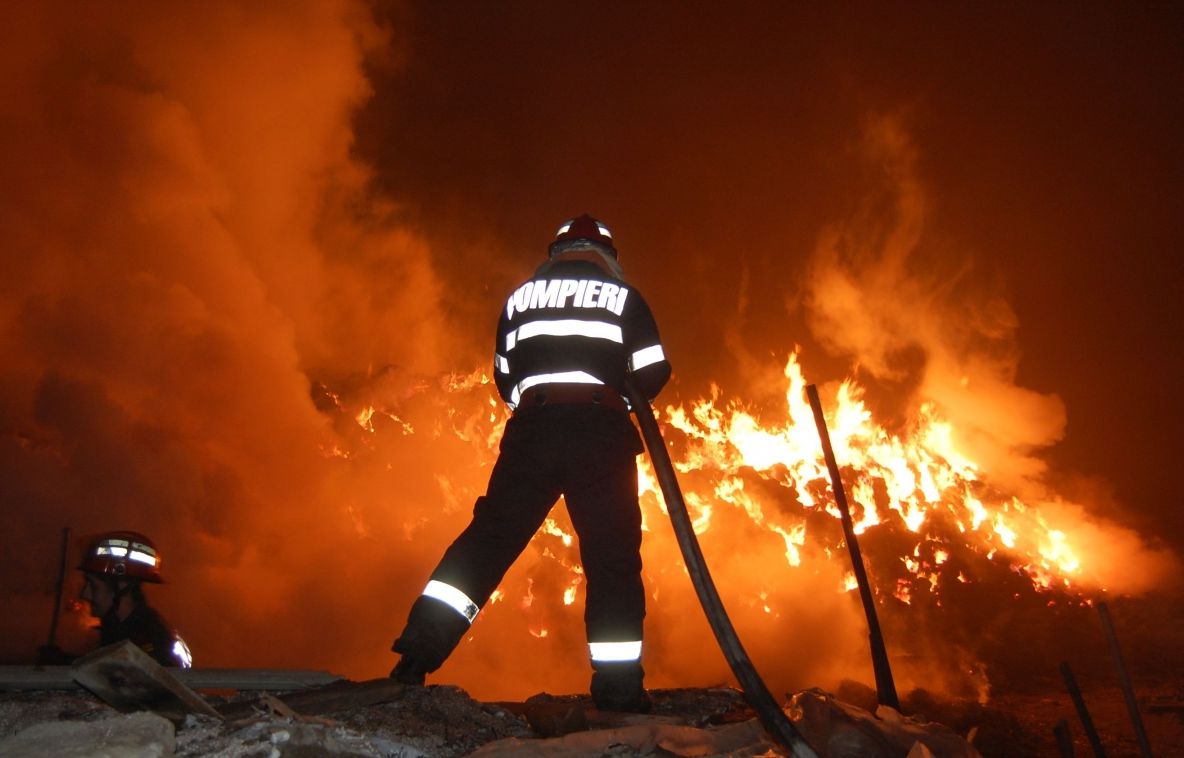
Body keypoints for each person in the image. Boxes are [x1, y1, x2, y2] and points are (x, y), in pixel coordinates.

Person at [389, 214, 671, 712]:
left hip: (534, 431)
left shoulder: (519, 299)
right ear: (607, 255)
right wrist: (614, 396)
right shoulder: (625, 298)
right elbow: (654, 370)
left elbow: (503, 378)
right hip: (599, 433)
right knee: (611, 560)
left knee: (488, 542)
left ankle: (415, 656)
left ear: (555, 252)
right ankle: (619, 691)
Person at [76, 530, 192, 668]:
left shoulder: (150, 638)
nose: (84, 594)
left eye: (93, 586)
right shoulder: (118, 629)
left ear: (122, 586)